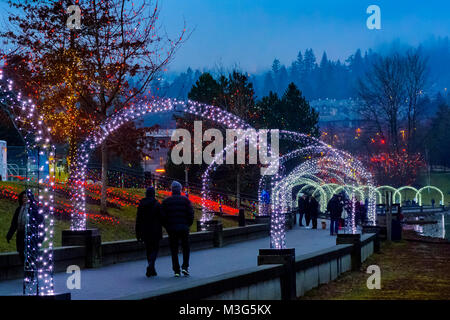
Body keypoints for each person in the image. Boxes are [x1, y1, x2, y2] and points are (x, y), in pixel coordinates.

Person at [162, 181, 194, 277]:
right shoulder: (186, 200)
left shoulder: (166, 201)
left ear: (172, 190)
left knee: (174, 249)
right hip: (184, 228)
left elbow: (163, 216)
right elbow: (191, 214)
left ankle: (176, 270)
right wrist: (188, 224)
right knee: (186, 248)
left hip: (172, 229)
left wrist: (167, 226)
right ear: (180, 189)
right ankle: (185, 267)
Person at [136, 186, 163, 277]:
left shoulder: (141, 204)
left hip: (145, 231)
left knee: (148, 249)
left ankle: (152, 268)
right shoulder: (157, 204)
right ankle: (151, 264)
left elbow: (138, 220)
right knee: (155, 249)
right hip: (155, 231)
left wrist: (138, 233)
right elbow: (161, 217)